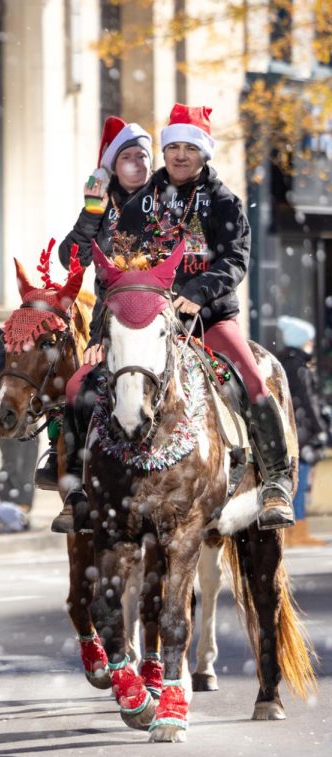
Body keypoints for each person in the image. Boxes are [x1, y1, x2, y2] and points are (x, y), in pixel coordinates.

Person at [67, 104, 294, 530]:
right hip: (147, 322)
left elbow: (235, 260)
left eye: (191, 148)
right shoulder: (141, 200)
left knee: (252, 377)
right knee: (84, 382)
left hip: (209, 319)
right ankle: (76, 488)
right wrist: (100, 329)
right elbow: (103, 266)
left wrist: (197, 293)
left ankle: (276, 482)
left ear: (203, 154)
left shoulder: (225, 202)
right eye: (174, 147)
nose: (181, 155)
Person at [47, 115, 153, 532]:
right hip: (108, 325)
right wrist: (92, 211)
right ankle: (73, 486)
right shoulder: (101, 206)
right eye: (127, 157)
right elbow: (72, 260)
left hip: (159, 321)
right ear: (112, 165)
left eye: (143, 156)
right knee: (77, 387)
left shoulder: (165, 198)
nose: (138, 164)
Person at [275, 316, 328, 547]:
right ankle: (298, 531)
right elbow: (309, 401)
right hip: (303, 432)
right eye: (309, 340)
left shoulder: (283, 363)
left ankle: (292, 531)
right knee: (302, 478)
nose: (312, 344)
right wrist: (321, 429)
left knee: (291, 479)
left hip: (288, 430)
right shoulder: (300, 368)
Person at [0, 328, 38, 510]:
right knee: (12, 457)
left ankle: (22, 503)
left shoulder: (33, 336)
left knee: (28, 457)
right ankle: (11, 503)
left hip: (26, 405)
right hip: (9, 405)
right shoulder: (4, 336)